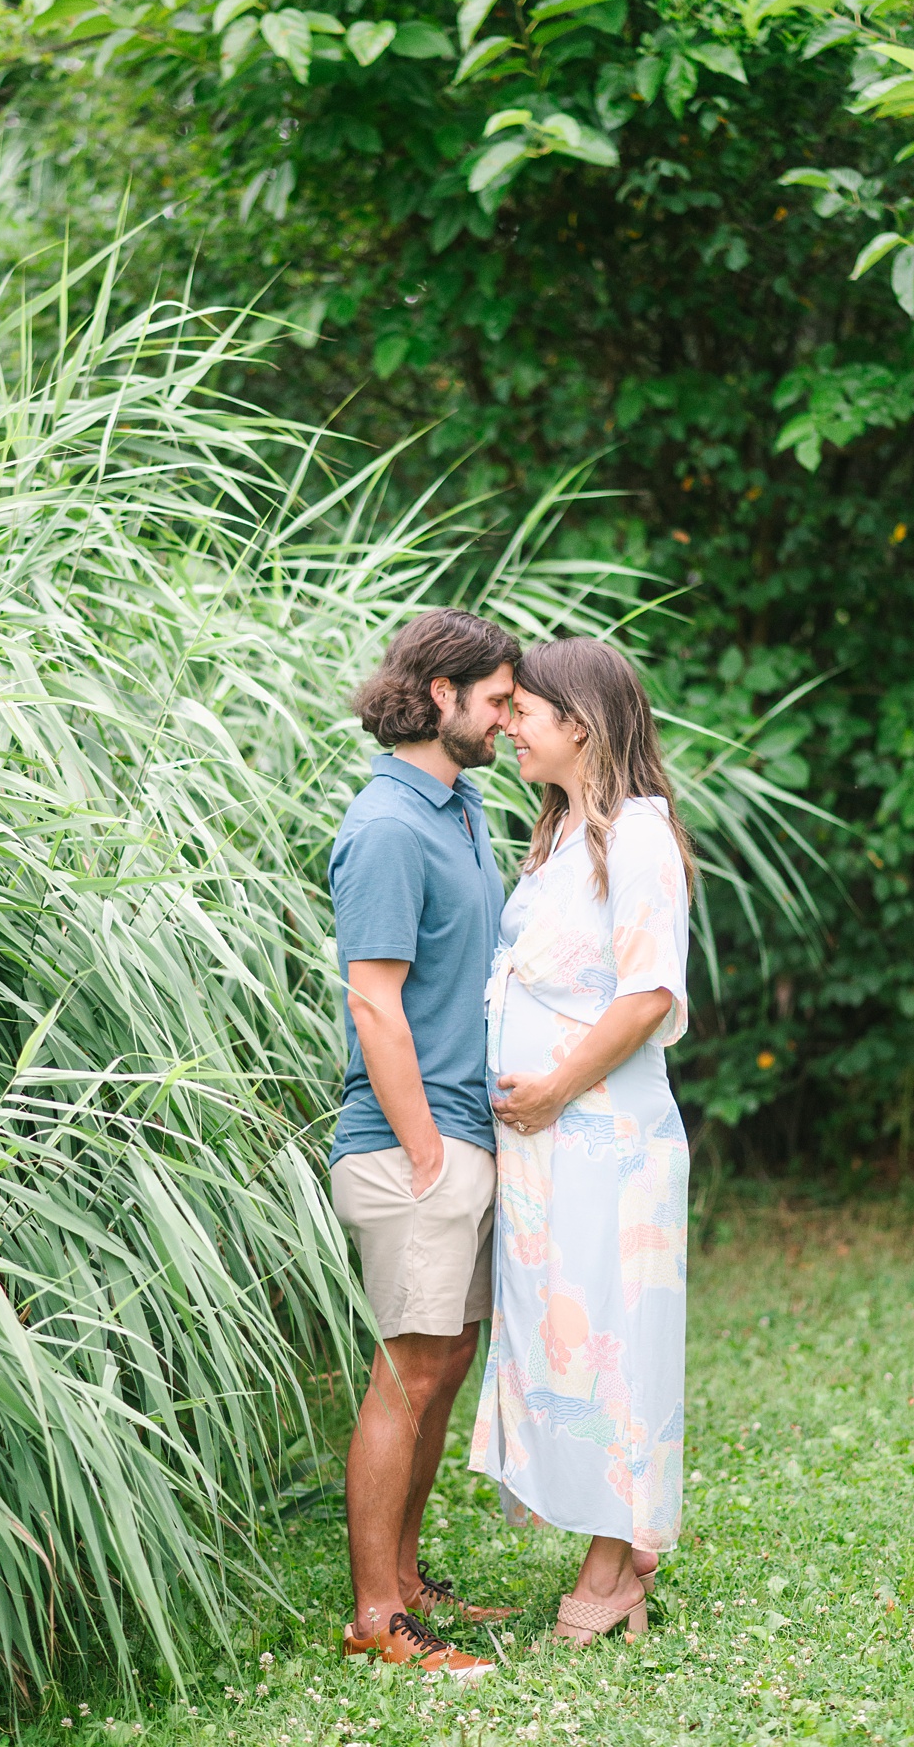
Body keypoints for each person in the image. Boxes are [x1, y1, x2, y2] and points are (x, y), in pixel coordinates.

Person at [467, 638, 694, 1647]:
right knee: (564, 1338)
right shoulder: (559, 831)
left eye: (526, 709)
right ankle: (621, 1539)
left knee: (612, 1341)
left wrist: (555, 1084)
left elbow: (648, 993)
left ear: (581, 723)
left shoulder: (638, 835)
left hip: (608, 1142)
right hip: (552, 1150)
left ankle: (613, 1566)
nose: (508, 722)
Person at [326, 608, 524, 1678]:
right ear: (439, 695)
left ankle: (406, 1583)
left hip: (461, 1135)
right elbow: (374, 1005)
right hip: (412, 1147)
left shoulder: (461, 806)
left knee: (444, 1363)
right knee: (407, 1371)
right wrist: (428, 1153)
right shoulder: (389, 827)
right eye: (494, 698)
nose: (506, 717)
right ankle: (375, 1617)